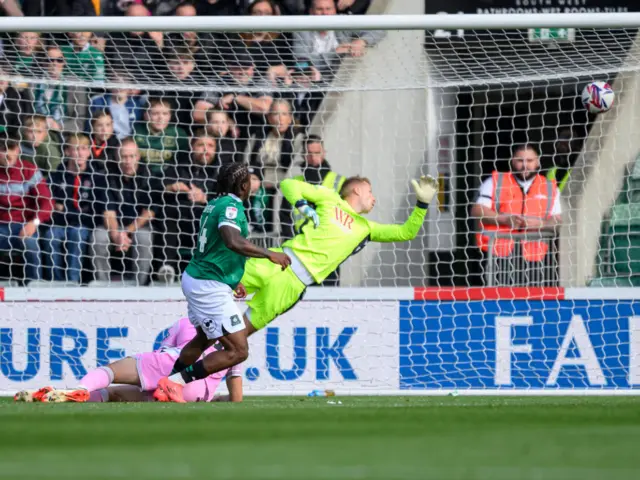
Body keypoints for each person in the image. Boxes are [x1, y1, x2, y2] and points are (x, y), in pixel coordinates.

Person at [154, 174, 438, 402]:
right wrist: (302, 205)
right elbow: (289, 184)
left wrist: (422, 204)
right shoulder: (330, 199)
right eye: (370, 190)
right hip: (277, 260)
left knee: (233, 339)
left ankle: (172, 382)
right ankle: (169, 368)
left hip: (291, 286)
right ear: (356, 191)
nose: (374, 197)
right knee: (215, 303)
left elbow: (405, 232)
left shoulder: (366, 228)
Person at [153, 162, 291, 403]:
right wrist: (270, 253)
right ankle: (173, 383)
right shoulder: (230, 207)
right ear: (243, 185)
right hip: (208, 285)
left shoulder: (215, 203)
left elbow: (216, 247)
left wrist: (232, 278)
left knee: (205, 338)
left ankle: (167, 384)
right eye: (250, 179)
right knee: (238, 350)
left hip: (204, 278)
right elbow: (231, 241)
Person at [14, 317, 243, 403]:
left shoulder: (185, 322)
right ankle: (61, 398)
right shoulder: (238, 340)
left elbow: (163, 354)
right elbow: (236, 398)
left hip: (170, 368)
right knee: (116, 395)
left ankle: (80, 389)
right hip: (194, 394)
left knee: (111, 373)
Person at [471, 144, 562, 286]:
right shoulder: (495, 181)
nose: (525, 165)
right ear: (512, 161)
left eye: (530, 161)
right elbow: (477, 210)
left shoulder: (550, 187)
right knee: (496, 299)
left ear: (537, 162)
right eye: (520, 160)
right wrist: (504, 219)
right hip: (497, 255)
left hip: (535, 257)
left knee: (533, 302)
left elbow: (559, 220)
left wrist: (541, 224)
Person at [92, 138, 161, 285]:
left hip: (138, 226)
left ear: (138, 157)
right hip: (112, 226)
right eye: (123, 156)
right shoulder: (106, 177)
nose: (128, 161)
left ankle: (140, 284)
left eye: (132, 156)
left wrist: (127, 232)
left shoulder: (149, 176)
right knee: (98, 237)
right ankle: (102, 283)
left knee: (144, 238)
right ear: (117, 158)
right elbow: (108, 213)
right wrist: (117, 234)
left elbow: (148, 213)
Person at [48, 133, 107, 283]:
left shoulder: (97, 177)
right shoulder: (56, 176)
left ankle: (72, 282)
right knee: (50, 236)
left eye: (84, 148)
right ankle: (56, 281)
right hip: (59, 224)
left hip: (83, 226)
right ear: (67, 151)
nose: (80, 153)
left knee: (77, 234)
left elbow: (94, 212)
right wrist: (75, 212)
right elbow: (50, 208)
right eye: (75, 149)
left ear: (89, 152)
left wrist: (65, 210)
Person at [0, 133, 53, 283]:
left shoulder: (29, 170)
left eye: (11, 148)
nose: (7, 154)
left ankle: (34, 287)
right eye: (3, 150)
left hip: (23, 225)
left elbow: (47, 202)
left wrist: (34, 223)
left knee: (30, 244)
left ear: (17, 150)